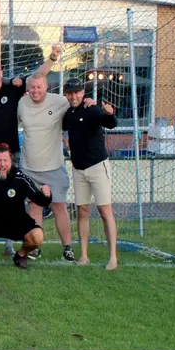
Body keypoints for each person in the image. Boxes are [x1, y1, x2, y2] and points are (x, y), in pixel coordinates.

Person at [0, 45, 59, 257]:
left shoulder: (13, 89)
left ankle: (10, 244)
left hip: (12, 156)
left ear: (2, 72)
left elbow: (38, 76)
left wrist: (53, 58)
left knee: (13, 198)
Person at [18, 71, 83, 262]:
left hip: (54, 166)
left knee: (59, 207)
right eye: (32, 87)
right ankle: (36, 246)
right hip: (29, 167)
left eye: (39, 87)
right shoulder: (22, 104)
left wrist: (89, 103)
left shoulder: (60, 102)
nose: (35, 91)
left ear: (46, 87)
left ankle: (67, 248)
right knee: (35, 207)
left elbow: (76, 104)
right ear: (28, 89)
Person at [62, 78, 118, 270]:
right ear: (66, 95)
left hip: (97, 166)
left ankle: (113, 257)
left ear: (82, 93)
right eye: (70, 93)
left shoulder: (92, 109)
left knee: (104, 211)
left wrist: (110, 114)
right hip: (78, 169)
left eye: (77, 92)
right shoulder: (68, 114)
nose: (74, 96)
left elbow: (109, 123)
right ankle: (84, 256)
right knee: (82, 211)